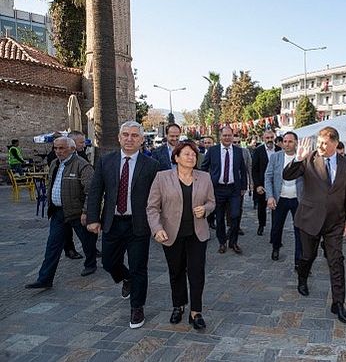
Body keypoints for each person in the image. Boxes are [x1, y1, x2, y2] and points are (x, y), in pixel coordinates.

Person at [86, 121, 160, 329]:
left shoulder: (151, 165)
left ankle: (137, 307)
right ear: (119, 138)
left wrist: (159, 223)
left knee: (139, 267)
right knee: (109, 263)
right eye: (125, 135)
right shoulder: (105, 161)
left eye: (134, 135)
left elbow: (158, 197)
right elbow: (95, 191)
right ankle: (125, 278)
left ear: (141, 140)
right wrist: (92, 218)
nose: (129, 139)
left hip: (138, 225)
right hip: (112, 222)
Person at [283, 127, 346, 324]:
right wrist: (298, 158)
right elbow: (287, 175)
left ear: (335, 143)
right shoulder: (308, 158)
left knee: (336, 260)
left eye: (325, 143)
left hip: (335, 222)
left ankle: (339, 303)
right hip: (309, 219)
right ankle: (302, 278)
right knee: (308, 256)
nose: (321, 147)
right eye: (319, 143)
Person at [146, 141, 215, 330]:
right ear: (176, 158)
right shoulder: (162, 177)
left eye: (193, 154)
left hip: (197, 234)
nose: (191, 157)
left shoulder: (205, 177)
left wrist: (206, 209)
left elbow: (212, 202)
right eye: (186, 154)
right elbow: (152, 207)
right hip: (170, 233)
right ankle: (178, 305)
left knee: (196, 272)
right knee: (176, 271)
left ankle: (196, 312)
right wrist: (156, 228)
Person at [25, 137, 98, 289]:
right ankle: (45, 278)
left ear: (72, 149)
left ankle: (90, 263)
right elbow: (51, 183)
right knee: (52, 245)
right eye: (56, 148)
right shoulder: (54, 164)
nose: (58, 151)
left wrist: (85, 212)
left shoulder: (82, 165)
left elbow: (91, 191)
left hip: (77, 212)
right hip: (58, 213)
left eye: (62, 148)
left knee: (87, 240)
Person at [201, 126, 248, 254]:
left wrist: (244, 186)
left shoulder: (238, 151)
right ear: (220, 137)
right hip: (217, 189)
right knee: (219, 217)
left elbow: (243, 170)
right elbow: (204, 168)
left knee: (235, 215)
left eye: (229, 135)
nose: (227, 138)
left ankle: (233, 242)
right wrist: (205, 185)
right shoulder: (213, 151)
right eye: (225, 135)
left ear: (233, 136)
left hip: (234, 189)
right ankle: (222, 242)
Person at [265, 131, 304, 264]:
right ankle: (276, 247)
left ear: (296, 143)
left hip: (297, 199)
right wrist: (270, 196)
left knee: (299, 230)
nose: (287, 144)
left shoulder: (302, 158)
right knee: (276, 227)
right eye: (285, 141)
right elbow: (268, 177)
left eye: (290, 141)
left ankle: (299, 260)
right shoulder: (276, 157)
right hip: (279, 198)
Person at [252, 130, 281, 236]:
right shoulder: (258, 151)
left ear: (274, 138)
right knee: (261, 207)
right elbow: (254, 170)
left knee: (276, 208)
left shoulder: (279, 150)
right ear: (263, 139)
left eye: (271, 137)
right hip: (262, 184)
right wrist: (257, 185)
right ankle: (261, 225)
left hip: (277, 184)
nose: (269, 140)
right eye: (267, 138)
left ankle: (275, 229)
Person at [227, 134, 252, 236]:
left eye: (238, 142)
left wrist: (251, 183)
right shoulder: (227, 151)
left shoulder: (245, 152)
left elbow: (249, 168)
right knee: (228, 207)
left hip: (240, 184)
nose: (237, 144)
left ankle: (237, 226)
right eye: (235, 142)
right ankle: (230, 226)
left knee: (239, 207)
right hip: (228, 183)